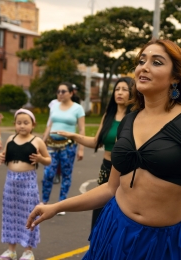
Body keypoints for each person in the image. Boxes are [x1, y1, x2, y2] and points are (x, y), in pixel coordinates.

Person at [26, 39, 181, 260]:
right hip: (114, 229)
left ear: (175, 77)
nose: (143, 67)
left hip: (164, 244)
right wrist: (56, 206)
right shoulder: (128, 121)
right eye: (141, 61)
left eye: (156, 62)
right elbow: (111, 188)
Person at [57, 76, 134, 230]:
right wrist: (74, 136)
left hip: (127, 172)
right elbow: (95, 142)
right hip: (106, 169)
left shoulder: (136, 117)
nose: (119, 93)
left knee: (122, 216)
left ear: (132, 93)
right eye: (117, 89)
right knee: (100, 215)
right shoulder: (108, 116)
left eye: (124, 89)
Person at [0, 109, 51, 260]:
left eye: (26, 123)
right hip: (10, 182)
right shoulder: (10, 139)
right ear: (14, 124)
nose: (22, 126)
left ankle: (28, 251)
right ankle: (11, 250)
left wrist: (40, 158)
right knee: (10, 215)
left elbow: (48, 160)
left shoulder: (37, 141)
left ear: (33, 124)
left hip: (28, 183)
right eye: (19, 123)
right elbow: (5, 155)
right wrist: (1, 157)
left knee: (29, 214)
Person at [41, 82, 85, 213]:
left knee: (66, 174)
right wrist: (42, 142)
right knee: (48, 173)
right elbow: (49, 125)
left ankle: (62, 204)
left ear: (71, 93)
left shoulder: (77, 108)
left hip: (68, 146)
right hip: (52, 144)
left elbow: (82, 129)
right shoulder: (54, 106)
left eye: (63, 91)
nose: (60, 94)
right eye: (58, 91)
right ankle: (44, 202)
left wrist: (81, 149)